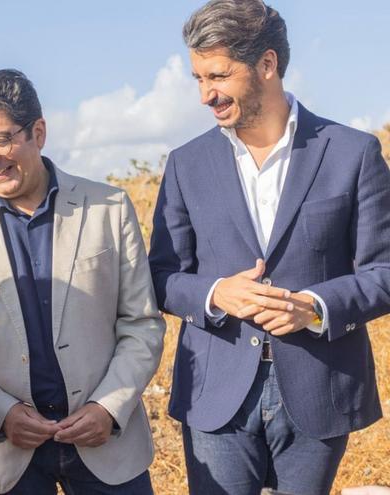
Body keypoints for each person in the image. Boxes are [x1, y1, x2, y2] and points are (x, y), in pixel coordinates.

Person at [149, 1, 390, 493]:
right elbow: (162, 276)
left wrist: (316, 307)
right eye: (197, 78)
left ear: (267, 65)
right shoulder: (184, 164)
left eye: (218, 76)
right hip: (215, 393)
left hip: (319, 389)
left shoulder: (354, 153)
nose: (205, 95)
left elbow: (384, 270)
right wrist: (217, 294)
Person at [0, 69, 166, 494]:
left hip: (107, 442)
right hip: (8, 453)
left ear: (38, 132)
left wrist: (108, 407)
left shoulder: (108, 207)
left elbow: (141, 323)